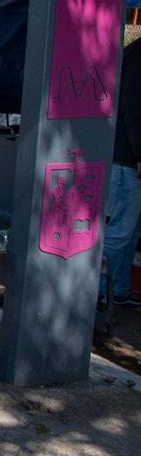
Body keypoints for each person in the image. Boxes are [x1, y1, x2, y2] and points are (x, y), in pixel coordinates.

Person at [102, 37, 141, 308]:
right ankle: (97, 293)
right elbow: (134, 109)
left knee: (130, 230)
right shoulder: (139, 57)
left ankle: (119, 290)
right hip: (126, 157)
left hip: (126, 155)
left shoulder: (133, 52)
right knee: (119, 231)